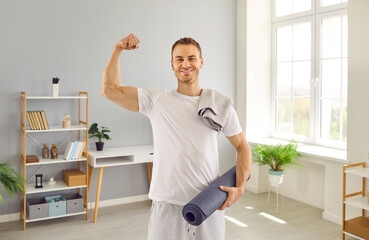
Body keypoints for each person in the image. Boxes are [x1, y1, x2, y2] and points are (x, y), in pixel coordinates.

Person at [101, 33, 252, 240]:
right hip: (166, 205)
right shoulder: (156, 100)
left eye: (191, 58)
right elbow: (109, 90)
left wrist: (240, 188)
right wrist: (118, 49)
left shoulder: (219, 106)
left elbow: (243, 146)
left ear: (201, 62)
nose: (185, 64)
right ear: (172, 65)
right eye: (179, 59)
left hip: (207, 204)